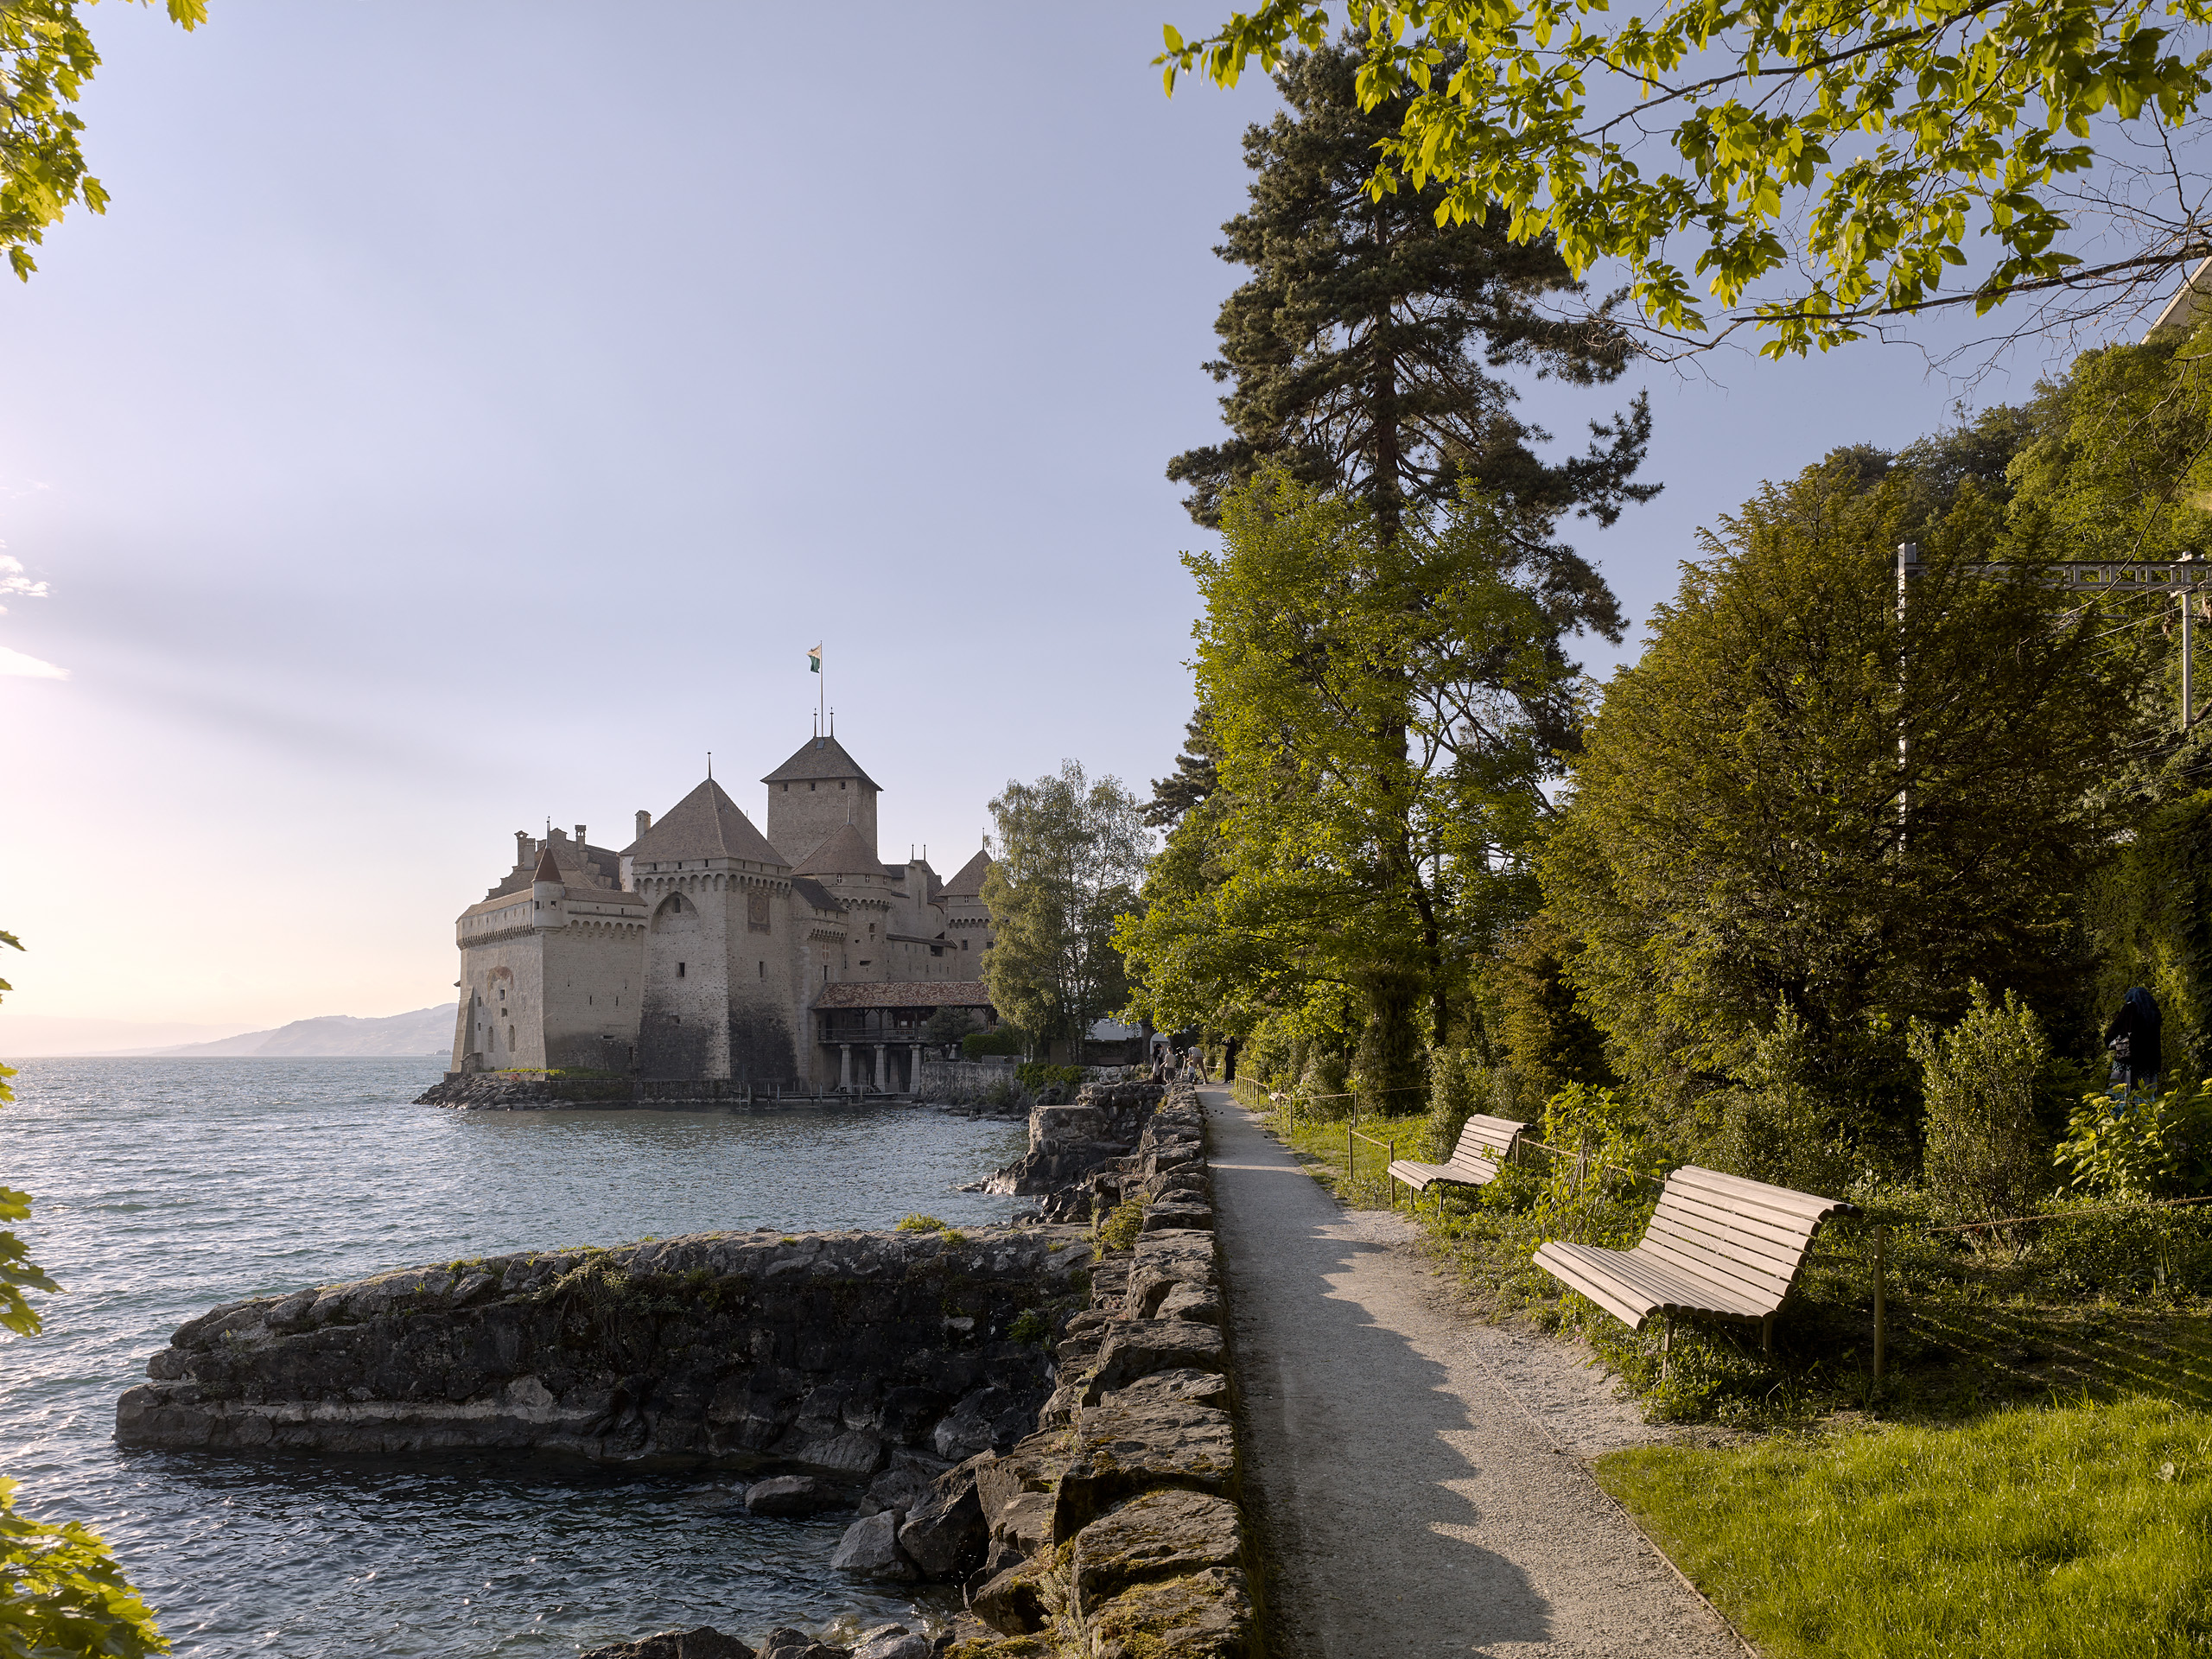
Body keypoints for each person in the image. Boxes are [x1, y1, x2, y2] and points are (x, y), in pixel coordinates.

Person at [2107, 985, 2164, 1096]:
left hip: (2127, 1055)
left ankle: (2121, 1105)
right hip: (2149, 1059)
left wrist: (2109, 1041)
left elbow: (2117, 1027)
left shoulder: (2130, 1008)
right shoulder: (2153, 1011)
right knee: (2145, 1089)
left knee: (2121, 1087)